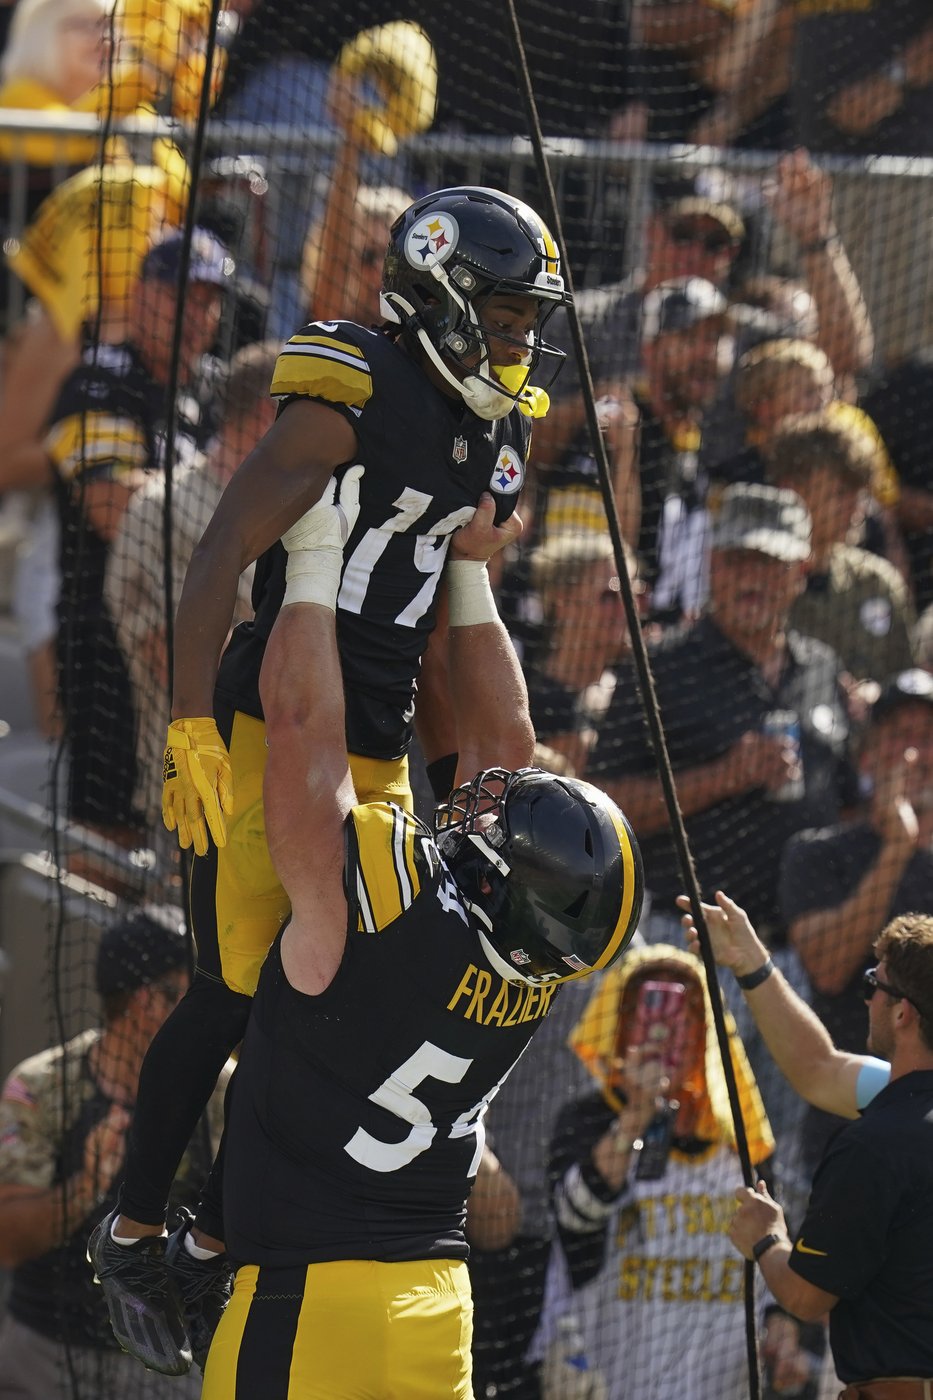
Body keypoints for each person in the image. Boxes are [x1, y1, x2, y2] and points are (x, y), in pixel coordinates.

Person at [88, 186, 575, 1373]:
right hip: (275, 717)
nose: (520, 339)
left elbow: (460, 617)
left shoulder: (496, 423)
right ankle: (140, 1220)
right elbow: (219, 551)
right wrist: (195, 727)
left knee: (339, 995)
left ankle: (212, 1224)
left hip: (374, 736)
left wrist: (469, 777)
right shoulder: (353, 380)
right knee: (245, 981)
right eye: (506, 313)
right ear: (445, 294)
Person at [179, 466, 640, 1396]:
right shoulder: (535, 966)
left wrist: (310, 560)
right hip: (436, 1303)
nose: (489, 801)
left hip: (307, 1304)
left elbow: (303, 723)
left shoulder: (388, 895)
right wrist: (466, 571)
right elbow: (503, 743)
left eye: (501, 823)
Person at [679, 891, 933, 1396]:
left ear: (902, 1013)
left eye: (872, 985)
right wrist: (752, 964)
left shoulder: (874, 1142)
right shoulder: (899, 1108)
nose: (866, 999)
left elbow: (806, 1298)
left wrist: (766, 1236)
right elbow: (818, 1068)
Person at [589, 481, 858, 945]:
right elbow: (600, 808)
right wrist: (725, 776)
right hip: (682, 937)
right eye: (737, 560)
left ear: (801, 572)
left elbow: (848, 802)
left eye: (769, 563)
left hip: (798, 951)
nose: (751, 578)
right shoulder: (659, 667)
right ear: (712, 563)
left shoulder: (823, 668)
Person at [47, 224, 232, 852]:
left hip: (189, 635)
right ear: (140, 294)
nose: (200, 313)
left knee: (193, 827)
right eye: (183, 294)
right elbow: (110, 507)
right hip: (107, 635)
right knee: (109, 825)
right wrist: (223, 506)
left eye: (212, 299)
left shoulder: (209, 390)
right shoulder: (99, 381)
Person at [0, 906, 229, 1400]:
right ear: (148, 1001)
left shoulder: (222, 1090)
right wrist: (84, 1184)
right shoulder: (42, 1086)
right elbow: (7, 1243)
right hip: (46, 1354)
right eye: (187, 993)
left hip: (169, 1357)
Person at [542, 943, 774, 1400]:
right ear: (620, 1024)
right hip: (615, 1376)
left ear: (706, 1028)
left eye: (682, 1010)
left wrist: (781, 1331)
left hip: (723, 1379)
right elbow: (574, 1215)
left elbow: (772, 1243)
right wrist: (635, 1116)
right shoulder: (588, 1119)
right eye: (645, 1008)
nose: (664, 1027)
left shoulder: (741, 1132)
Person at [104, 339, 280, 836]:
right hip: (196, 791)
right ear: (266, 416)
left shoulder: (289, 513)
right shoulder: (162, 508)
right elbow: (167, 655)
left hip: (278, 792)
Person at [779, 666, 933, 1170]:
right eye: (899, 737)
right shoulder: (817, 853)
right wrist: (897, 848)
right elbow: (826, 968)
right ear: (867, 755)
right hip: (846, 1128)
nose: (916, 754)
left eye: (929, 738)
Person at [767, 412, 916, 685]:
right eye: (840, 493)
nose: (856, 507)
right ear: (791, 489)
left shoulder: (877, 582)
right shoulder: (757, 583)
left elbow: (909, 686)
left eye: (859, 493)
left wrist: (881, 701)